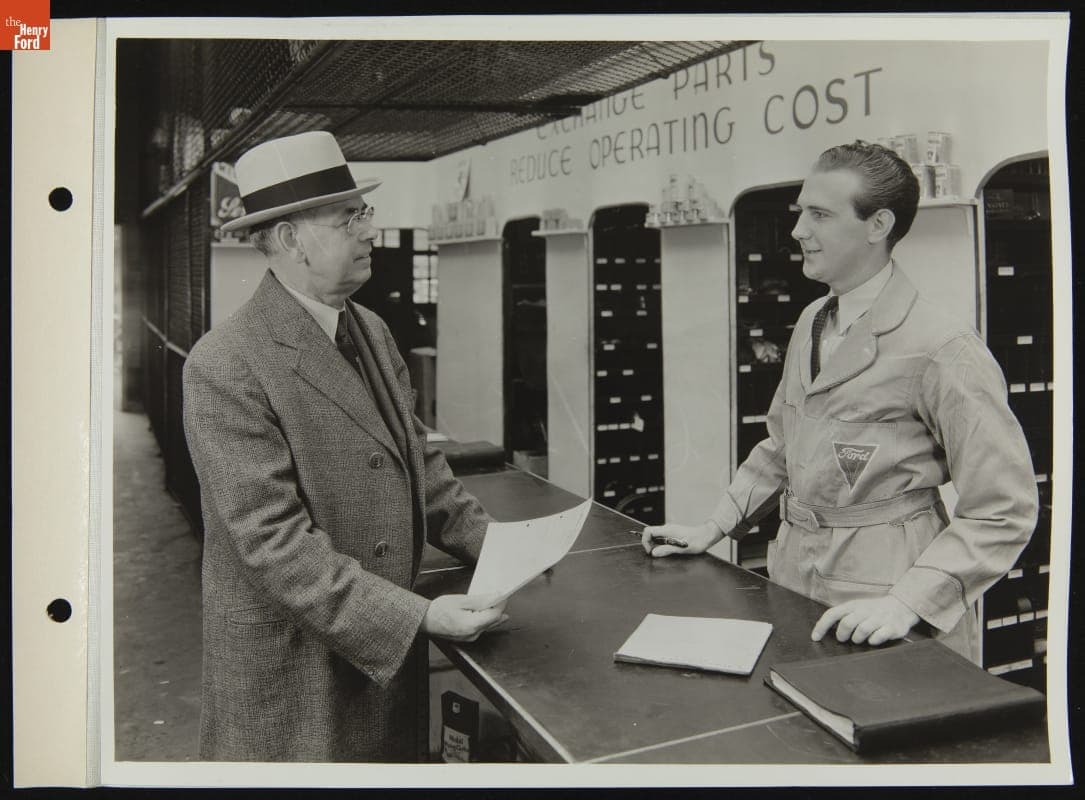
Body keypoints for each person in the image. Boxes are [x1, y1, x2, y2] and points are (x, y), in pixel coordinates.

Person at [644, 141, 1037, 661]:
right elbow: (782, 447)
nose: (798, 230)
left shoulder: (943, 347)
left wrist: (905, 603)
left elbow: (1003, 509)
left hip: (886, 596)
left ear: (878, 225)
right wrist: (711, 528)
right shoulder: (812, 321)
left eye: (820, 215)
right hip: (793, 574)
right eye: (801, 211)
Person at [183, 131, 506, 762]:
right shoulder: (224, 364)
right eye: (348, 218)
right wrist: (419, 618)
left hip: (372, 652)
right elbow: (275, 547)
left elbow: (421, 464)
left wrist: (501, 545)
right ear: (289, 239)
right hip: (297, 674)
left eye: (365, 214)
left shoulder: (371, 329)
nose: (369, 232)